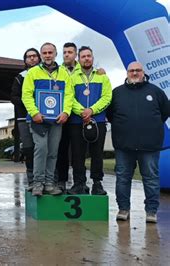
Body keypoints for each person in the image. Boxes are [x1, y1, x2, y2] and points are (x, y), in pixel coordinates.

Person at [107, 61, 170, 223]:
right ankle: (123, 209)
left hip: (149, 146)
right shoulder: (117, 93)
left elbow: (165, 112)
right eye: (131, 71)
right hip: (124, 145)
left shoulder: (155, 92)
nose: (134, 73)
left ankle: (151, 211)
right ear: (127, 73)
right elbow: (110, 115)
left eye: (138, 70)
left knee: (150, 178)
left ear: (143, 73)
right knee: (122, 178)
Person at [22, 42, 74, 196]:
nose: (47, 55)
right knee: (41, 149)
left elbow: (69, 95)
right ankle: (38, 183)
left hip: (57, 120)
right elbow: (26, 95)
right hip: (38, 120)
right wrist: (34, 113)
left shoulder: (64, 73)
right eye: (44, 53)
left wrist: (65, 112)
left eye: (50, 52)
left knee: (53, 151)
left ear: (55, 54)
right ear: (41, 55)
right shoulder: (32, 73)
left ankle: (49, 183)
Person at [68, 46, 111, 195]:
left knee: (97, 153)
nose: (86, 58)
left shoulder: (102, 76)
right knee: (77, 154)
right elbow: (69, 98)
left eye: (89, 56)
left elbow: (107, 97)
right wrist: (82, 112)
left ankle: (97, 183)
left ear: (92, 58)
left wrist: (92, 110)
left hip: (98, 120)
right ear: (78, 59)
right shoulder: (72, 77)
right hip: (76, 121)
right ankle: (79, 183)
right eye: (83, 56)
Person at [10, 48, 41, 190]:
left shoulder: (46, 75)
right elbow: (14, 97)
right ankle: (31, 181)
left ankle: (46, 180)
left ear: (39, 58)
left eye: (34, 56)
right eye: (29, 57)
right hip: (24, 118)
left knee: (44, 150)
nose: (32, 59)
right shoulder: (20, 77)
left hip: (45, 118)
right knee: (29, 149)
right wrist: (31, 104)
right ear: (25, 60)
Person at [55, 42, 81, 191]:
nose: (67, 55)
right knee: (61, 150)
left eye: (70, 52)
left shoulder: (83, 70)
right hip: (62, 116)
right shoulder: (57, 71)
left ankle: (79, 183)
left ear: (75, 54)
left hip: (77, 117)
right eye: (64, 52)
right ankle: (61, 181)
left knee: (78, 152)